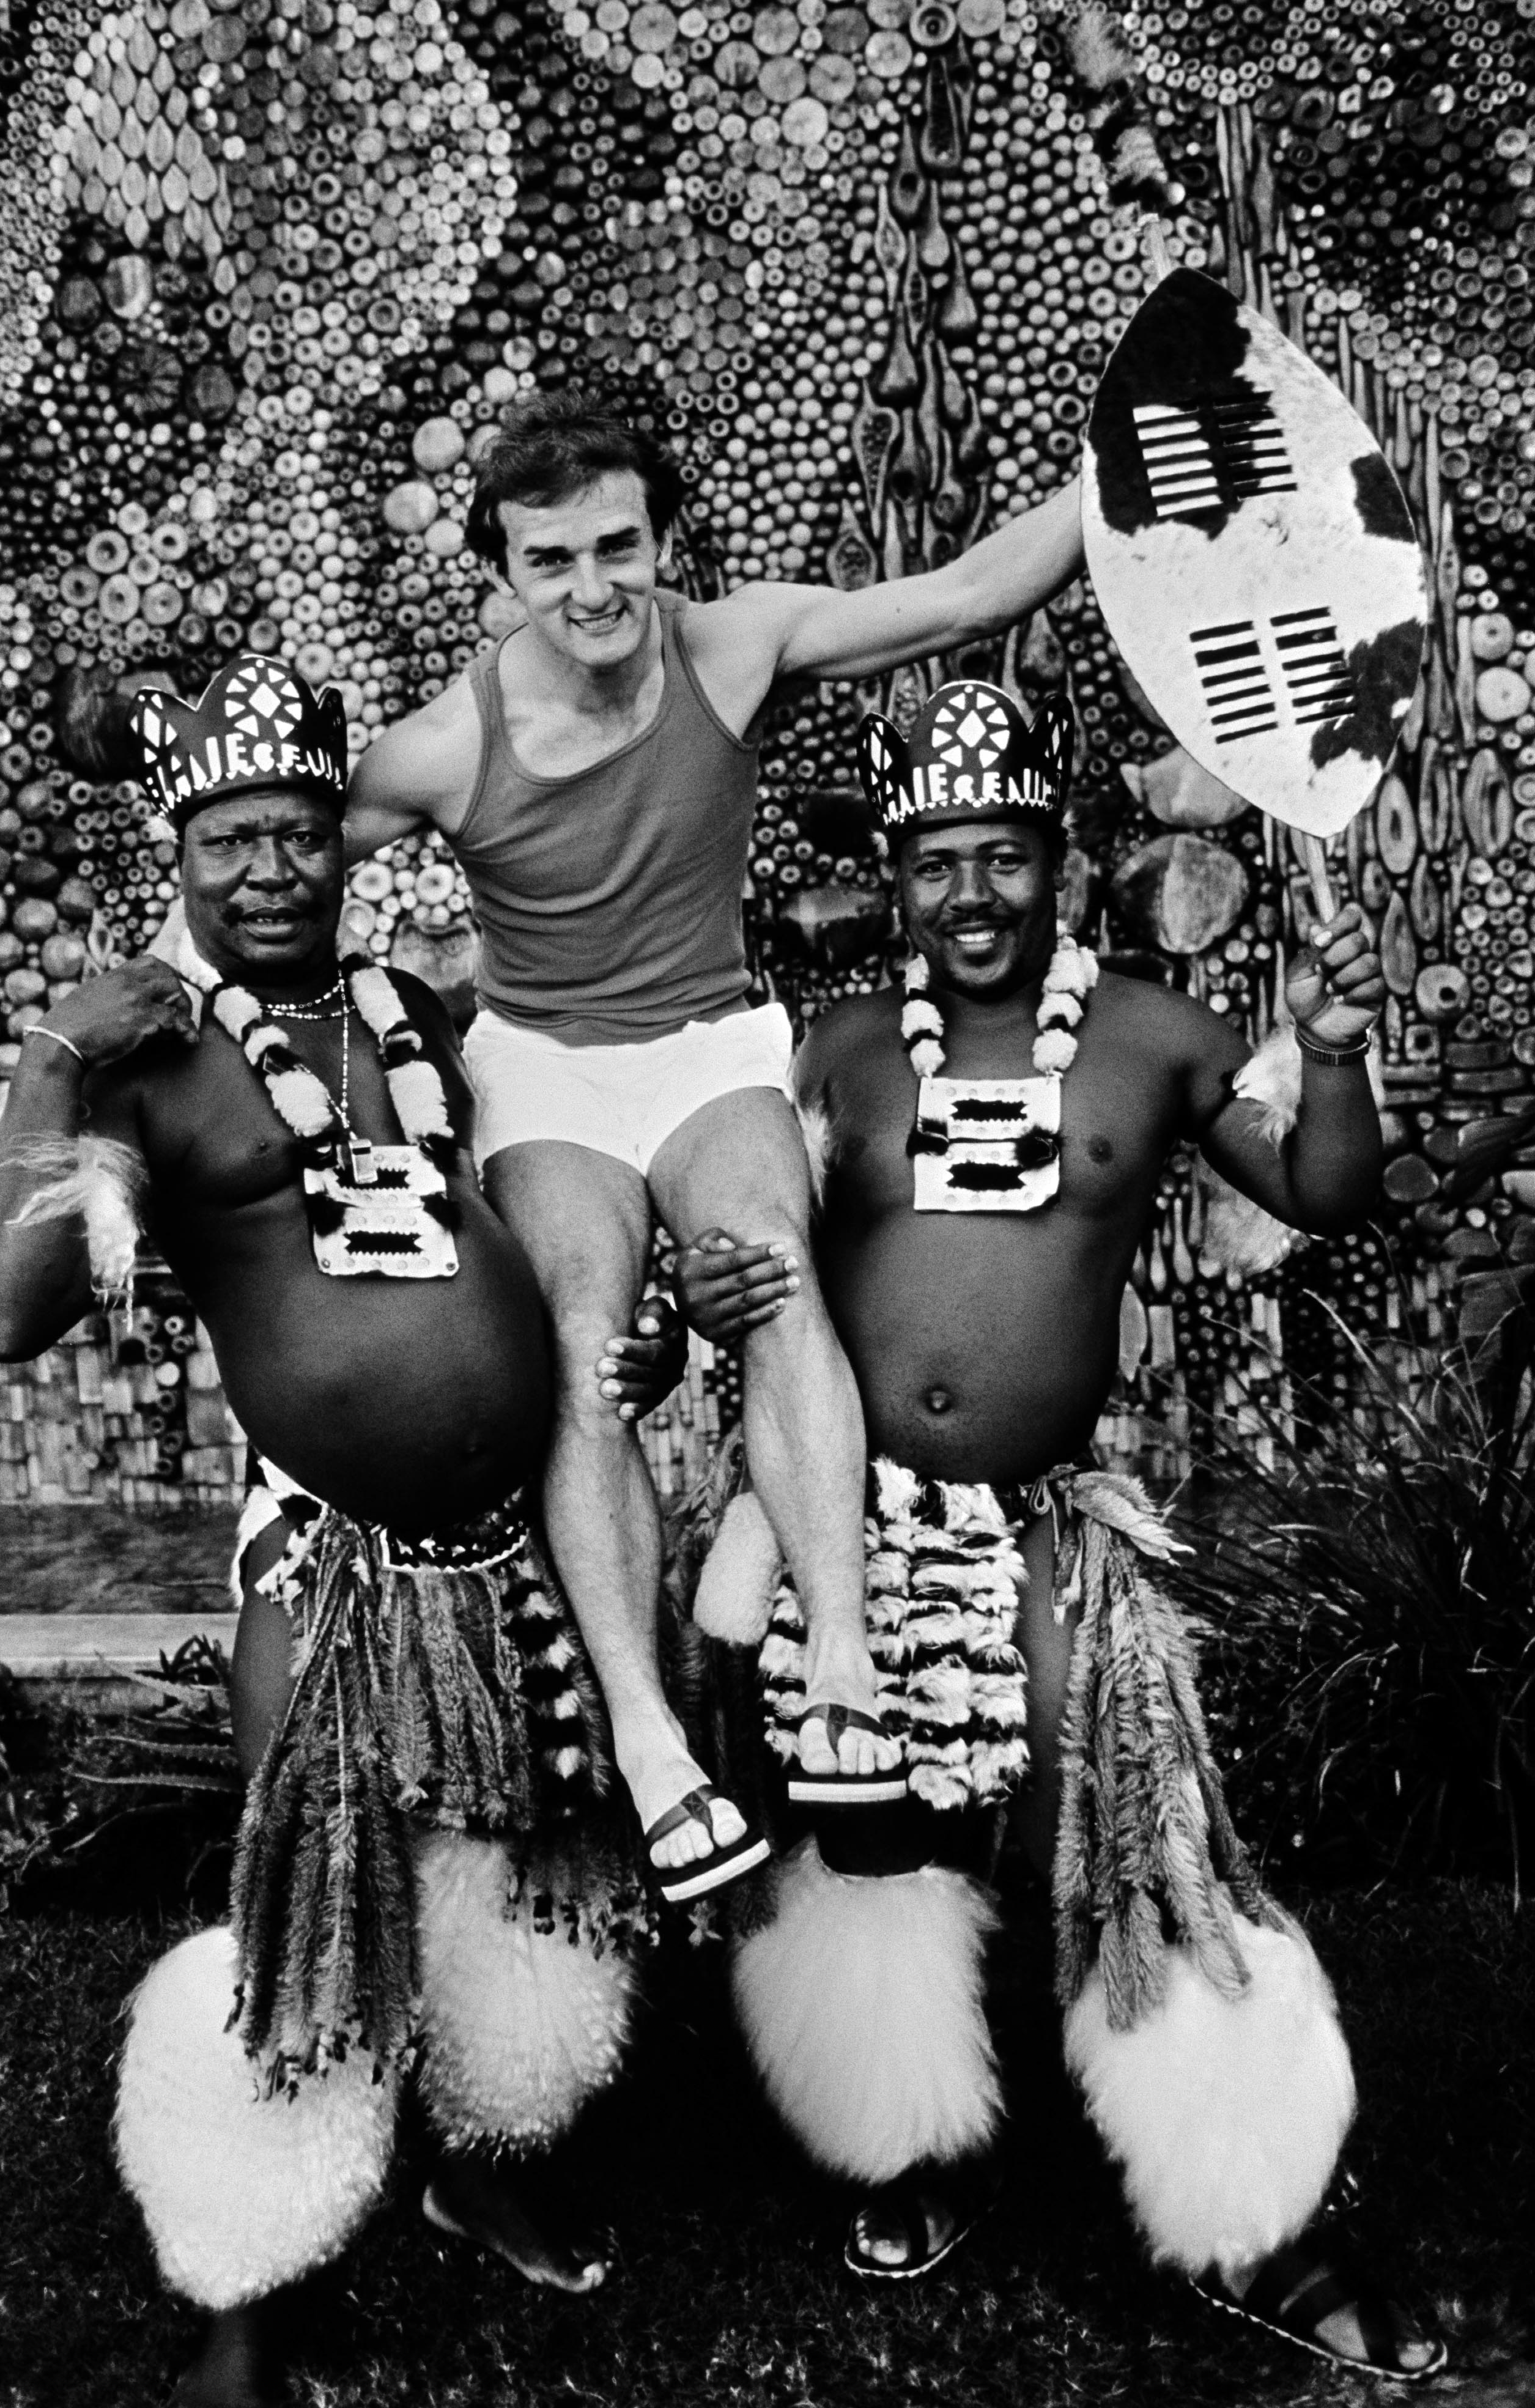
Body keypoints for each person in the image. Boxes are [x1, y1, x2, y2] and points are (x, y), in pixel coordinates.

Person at [673, 677, 1446, 2380]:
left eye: (1003, 858)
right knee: (872, 1843)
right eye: (937, 860)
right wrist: (705, 1291)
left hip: (1042, 1522)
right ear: (896, 873)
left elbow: (1325, 1193)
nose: (971, 895)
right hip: (851, 1524)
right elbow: (744, 1262)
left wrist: (1325, 1046)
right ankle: (907, 2138)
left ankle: (1250, 2207)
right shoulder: (839, 1051)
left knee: (1132, 1840)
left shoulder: (1156, 1034)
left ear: (1057, 858)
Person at [0, 654, 681, 2408]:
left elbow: (488, 1224)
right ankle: (249, 2284)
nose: (269, 866)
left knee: (513, 1853)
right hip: (333, 1562)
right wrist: (56, 1061)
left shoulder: (408, 1021)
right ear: (181, 852)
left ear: (339, 844)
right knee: (310, 1884)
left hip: (506, 1540)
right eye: (230, 839)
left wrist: (614, 1343)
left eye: (295, 832)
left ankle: (482, 2158)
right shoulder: (149, 1056)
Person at [341, 387, 1089, 1898]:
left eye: (620, 546)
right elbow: (264, 845)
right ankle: (648, 1739)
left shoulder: (728, 647)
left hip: (707, 1043)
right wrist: (133, 1010)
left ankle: (846, 1677)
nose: (595, 587)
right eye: (552, 561)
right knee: (576, 1332)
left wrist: (1121, 461)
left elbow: (975, 590)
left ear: (664, 537)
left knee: (771, 1264)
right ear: (500, 569)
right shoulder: (443, 741)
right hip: (545, 1070)